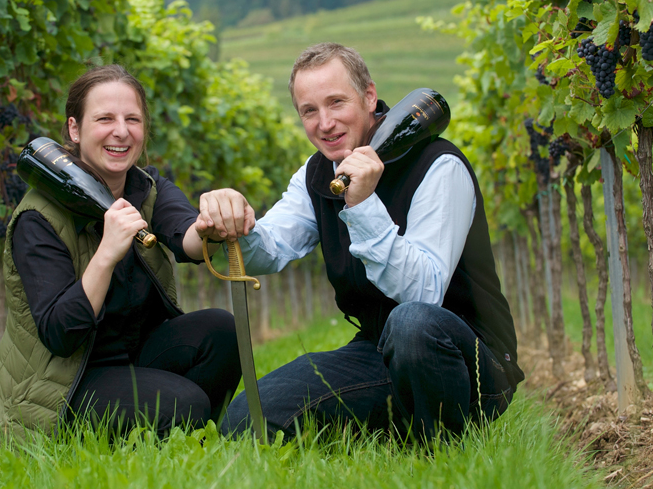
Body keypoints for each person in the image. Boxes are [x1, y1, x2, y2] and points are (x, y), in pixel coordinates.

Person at [197, 43, 524, 442]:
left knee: (411, 323)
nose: (325, 123)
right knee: (247, 420)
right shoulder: (317, 173)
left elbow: (423, 291)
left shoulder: (439, 165)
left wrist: (364, 204)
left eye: (337, 103)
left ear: (369, 97)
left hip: (468, 361)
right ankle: (392, 426)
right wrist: (232, 224)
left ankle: (444, 448)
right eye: (309, 111)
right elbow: (270, 248)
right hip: (379, 350)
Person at [0, 64, 241, 444]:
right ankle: (176, 428)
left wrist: (211, 223)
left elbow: (186, 235)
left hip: (128, 361)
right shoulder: (39, 217)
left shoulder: (146, 187)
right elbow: (61, 334)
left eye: (132, 119)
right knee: (184, 404)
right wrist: (106, 251)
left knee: (222, 330)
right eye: (105, 118)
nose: (121, 131)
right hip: (62, 385)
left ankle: (184, 440)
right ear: (75, 129)